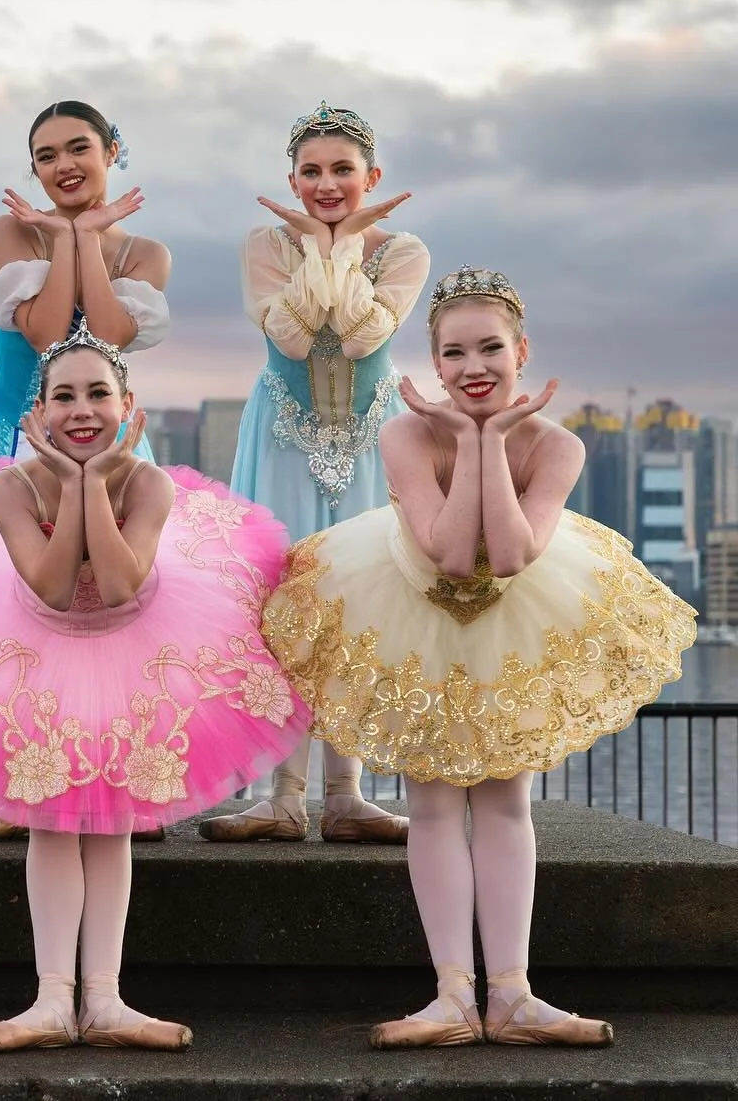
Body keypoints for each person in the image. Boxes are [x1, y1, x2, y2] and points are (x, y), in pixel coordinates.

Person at [0, 323, 310, 1051]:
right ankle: (52, 1000)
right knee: (51, 823)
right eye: (64, 397)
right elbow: (52, 587)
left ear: (127, 405)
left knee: (111, 827)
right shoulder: (9, 486)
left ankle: (106, 1000)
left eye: (98, 394)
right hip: (33, 643)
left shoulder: (147, 482)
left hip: (134, 644)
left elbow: (116, 586)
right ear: (39, 413)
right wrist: (75, 486)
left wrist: (90, 484)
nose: (82, 410)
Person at [261, 266, 696, 1048]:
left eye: (490, 348)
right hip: (410, 611)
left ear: (521, 351)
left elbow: (519, 554)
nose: (473, 368)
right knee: (430, 805)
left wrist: (491, 440)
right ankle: (452, 997)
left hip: (516, 615)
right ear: (434, 365)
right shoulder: (405, 434)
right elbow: (453, 555)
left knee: (504, 804)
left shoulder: (555, 446)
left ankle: (514, 996)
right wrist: (466, 436)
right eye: (454, 353)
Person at [0, 100, 171, 842]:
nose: (63, 165)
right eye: (45, 155)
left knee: (108, 616)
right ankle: (14, 787)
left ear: (111, 152)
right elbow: (42, 335)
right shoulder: (11, 232)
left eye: (79, 148)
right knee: (10, 619)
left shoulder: (146, 254)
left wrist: (88, 239)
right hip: (5, 432)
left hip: (104, 441)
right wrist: (69, 235)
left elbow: (103, 334)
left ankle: (111, 782)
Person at [202, 102, 430, 846]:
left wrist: (344, 248)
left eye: (342, 170)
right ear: (292, 180)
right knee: (284, 609)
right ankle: (281, 797)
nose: (327, 184)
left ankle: (347, 795)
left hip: (371, 444)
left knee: (361, 610)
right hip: (282, 443)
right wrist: (321, 252)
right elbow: (294, 341)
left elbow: (367, 335)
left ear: (373, 177)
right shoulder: (262, 247)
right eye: (312, 171)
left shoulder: (404, 253)